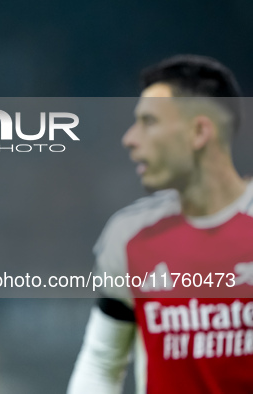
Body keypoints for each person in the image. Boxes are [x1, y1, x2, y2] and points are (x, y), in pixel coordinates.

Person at [68, 55, 253, 393]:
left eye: (148, 122)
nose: (130, 138)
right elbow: (100, 365)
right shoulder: (128, 236)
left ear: (199, 131)